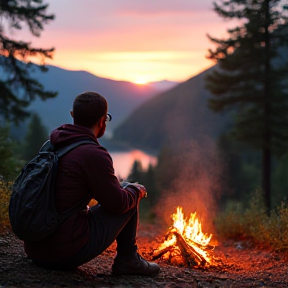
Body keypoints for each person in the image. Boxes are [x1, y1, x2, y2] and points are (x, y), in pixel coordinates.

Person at [24, 91, 160, 276]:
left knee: (124, 191)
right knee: (128, 194)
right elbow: (118, 204)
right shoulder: (93, 154)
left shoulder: (52, 145)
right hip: (62, 254)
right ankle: (128, 260)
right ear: (103, 121)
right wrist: (136, 191)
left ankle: (128, 260)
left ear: (73, 116)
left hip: (35, 247)